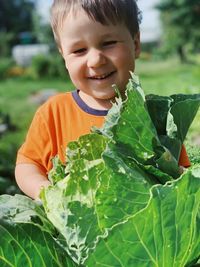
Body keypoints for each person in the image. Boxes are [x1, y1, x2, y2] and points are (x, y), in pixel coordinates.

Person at [15, 0, 190, 200]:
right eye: (79, 50)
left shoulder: (156, 117)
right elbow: (27, 164)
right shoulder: (53, 113)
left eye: (108, 44)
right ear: (63, 56)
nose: (96, 60)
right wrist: (47, 193)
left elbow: (182, 175)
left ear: (136, 44)